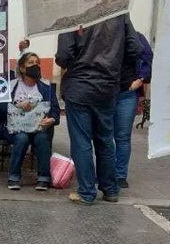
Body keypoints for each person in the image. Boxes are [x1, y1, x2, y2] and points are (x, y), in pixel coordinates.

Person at [55, 14, 143, 204]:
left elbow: (64, 55)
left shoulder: (73, 13)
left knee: (81, 141)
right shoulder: (120, 14)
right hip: (108, 86)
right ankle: (110, 189)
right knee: (105, 139)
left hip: (79, 86)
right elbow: (135, 48)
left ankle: (86, 192)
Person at [6, 51, 60, 190]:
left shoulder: (46, 87)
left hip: (38, 127)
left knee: (42, 138)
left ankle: (43, 178)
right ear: (22, 68)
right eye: (30, 63)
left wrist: (52, 119)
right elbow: (0, 108)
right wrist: (17, 105)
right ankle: (13, 177)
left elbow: (55, 110)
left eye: (37, 63)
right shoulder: (12, 86)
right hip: (17, 128)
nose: (35, 65)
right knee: (22, 138)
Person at [113, 29, 153, 189]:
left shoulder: (135, 36)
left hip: (126, 94)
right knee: (104, 137)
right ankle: (105, 173)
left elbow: (147, 57)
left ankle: (120, 175)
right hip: (105, 93)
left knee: (122, 136)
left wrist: (140, 80)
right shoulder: (101, 35)